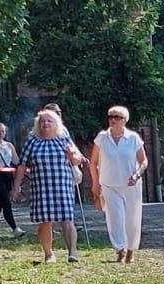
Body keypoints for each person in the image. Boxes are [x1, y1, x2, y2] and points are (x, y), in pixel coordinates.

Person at [11, 109, 84, 263]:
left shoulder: (64, 139)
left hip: (63, 185)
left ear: (56, 123)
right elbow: (22, 165)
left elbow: (77, 160)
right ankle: (49, 254)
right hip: (41, 187)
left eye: (49, 121)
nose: (45, 123)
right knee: (45, 221)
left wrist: (72, 155)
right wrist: (16, 186)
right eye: (42, 121)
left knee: (67, 219)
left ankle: (72, 253)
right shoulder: (32, 141)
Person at [90, 105, 148, 263]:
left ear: (124, 120)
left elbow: (144, 161)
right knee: (115, 217)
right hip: (109, 184)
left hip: (130, 185)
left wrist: (137, 175)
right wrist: (95, 183)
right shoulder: (102, 138)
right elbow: (93, 162)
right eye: (110, 117)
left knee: (132, 218)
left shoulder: (133, 138)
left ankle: (131, 249)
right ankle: (120, 249)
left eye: (117, 117)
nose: (113, 120)